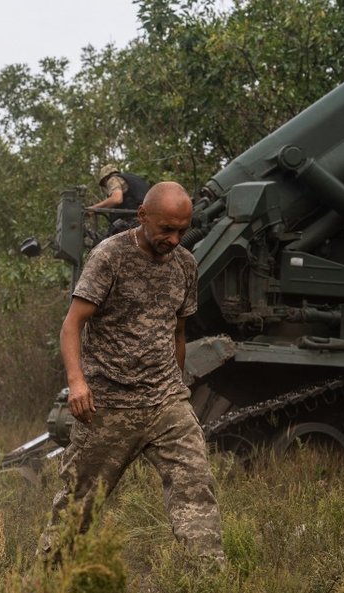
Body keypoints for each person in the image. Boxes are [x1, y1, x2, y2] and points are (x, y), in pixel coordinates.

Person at [38, 182, 226, 567]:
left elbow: (177, 331)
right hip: (108, 404)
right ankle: (47, 578)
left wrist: (178, 386)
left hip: (164, 401)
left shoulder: (185, 264)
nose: (174, 239)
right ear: (142, 217)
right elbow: (72, 324)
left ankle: (208, 576)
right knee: (77, 506)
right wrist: (77, 382)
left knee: (195, 483)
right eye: (166, 230)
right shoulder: (110, 256)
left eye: (181, 230)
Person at [90, 164, 151, 236]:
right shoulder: (137, 180)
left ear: (105, 179)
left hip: (130, 224)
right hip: (147, 222)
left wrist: (93, 208)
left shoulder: (113, 179)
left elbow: (116, 199)